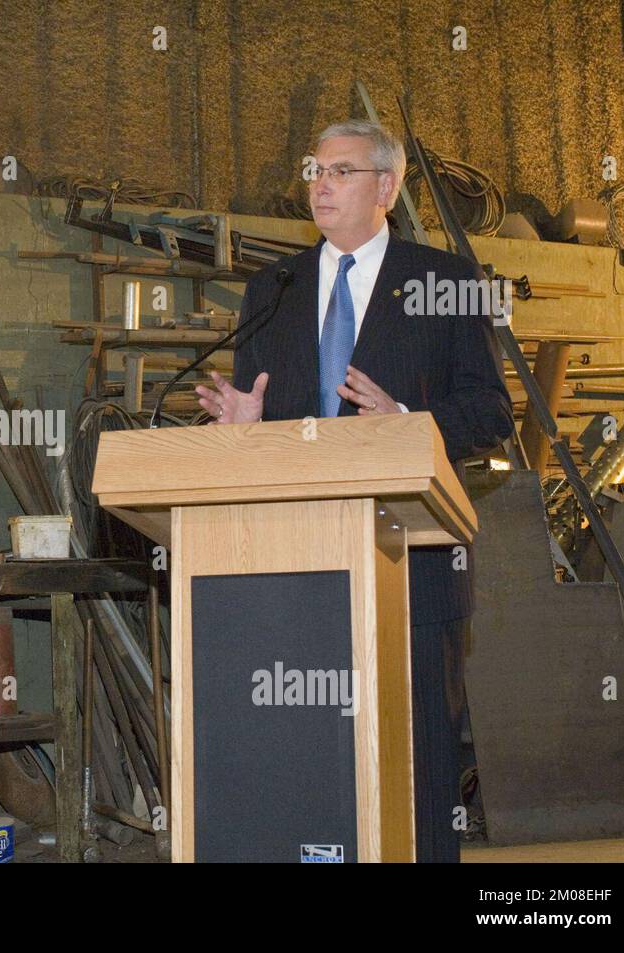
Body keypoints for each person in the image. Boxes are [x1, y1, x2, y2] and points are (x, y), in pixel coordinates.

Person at [195, 119, 513, 862]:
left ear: (388, 188)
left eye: (340, 170)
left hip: (414, 570)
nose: (321, 184)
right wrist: (248, 422)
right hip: (295, 571)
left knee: (418, 765)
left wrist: (405, 422)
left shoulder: (448, 282)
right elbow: (257, 409)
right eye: (314, 169)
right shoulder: (272, 287)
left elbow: (493, 414)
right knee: (314, 767)